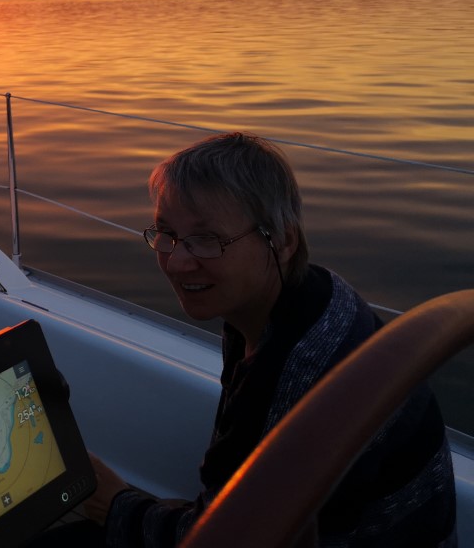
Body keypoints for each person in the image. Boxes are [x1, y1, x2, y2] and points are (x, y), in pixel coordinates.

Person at [54, 131, 457, 546]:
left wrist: (115, 503)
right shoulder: (314, 296)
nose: (176, 262)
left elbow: (223, 539)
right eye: (166, 232)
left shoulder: (290, 375)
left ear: (282, 241)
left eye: (208, 239)